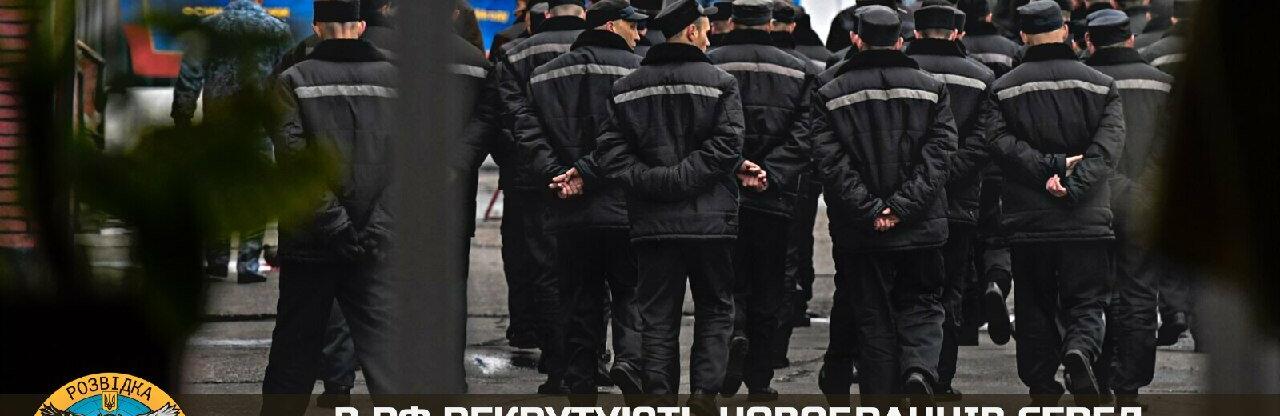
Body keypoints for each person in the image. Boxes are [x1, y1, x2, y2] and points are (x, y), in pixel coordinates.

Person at [594, 0, 751, 402]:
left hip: (653, 223)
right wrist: (681, 179)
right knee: (715, 308)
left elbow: (611, 152)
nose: (710, 38)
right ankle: (704, 393)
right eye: (706, 31)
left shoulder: (626, 87)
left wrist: (654, 181)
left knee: (657, 316)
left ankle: (660, 396)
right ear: (692, 32)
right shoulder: (721, 83)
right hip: (711, 224)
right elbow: (727, 146)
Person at [810, 5, 957, 398]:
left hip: (860, 229)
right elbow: (940, 155)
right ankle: (920, 370)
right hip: (921, 225)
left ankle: (881, 399)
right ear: (900, 40)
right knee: (923, 303)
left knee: (872, 317)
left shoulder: (829, 91)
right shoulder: (932, 88)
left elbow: (830, 161)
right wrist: (903, 207)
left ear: (855, 39)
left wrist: (871, 210)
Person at [260, 1, 398, 415]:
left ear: (317, 28)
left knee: (293, 354)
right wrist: (377, 228)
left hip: (310, 241)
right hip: (376, 245)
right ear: (361, 26)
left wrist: (336, 225)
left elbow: (295, 164)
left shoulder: (292, 80)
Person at [986, 0, 1124, 398]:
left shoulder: (1003, 88)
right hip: (1086, 217)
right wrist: (1072, 183)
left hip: (1029, 219)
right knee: (1088, 299)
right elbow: (1107, 149)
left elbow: (999, 143)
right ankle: (1080, 348)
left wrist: (1049, 168)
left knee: (1035, 304)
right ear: (1064, 31)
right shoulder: (1101, 85)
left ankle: (1041, 383)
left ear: (1023, 35)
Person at [511, 0, 648, 394]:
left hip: (569, 209)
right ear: (611, 26)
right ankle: (630, 361)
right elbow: (636, 139)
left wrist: (557, 174)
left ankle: (579, 382)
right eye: (632, 25)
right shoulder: (639, 73)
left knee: (578, 298)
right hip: (626, 205)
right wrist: (587, 175)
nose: (639, 33)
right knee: (631, 292)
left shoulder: (544, 75)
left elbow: (527, 131)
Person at [703, 0, 810, 397]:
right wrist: (771, 173)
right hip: (774, 197)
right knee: (770, 285)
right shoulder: (799, 70)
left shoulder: (710, 64)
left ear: (731, 22)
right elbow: (805, 134)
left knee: (725, 283)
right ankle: (760, 378)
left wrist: (735, 166)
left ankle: (733, 334)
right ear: (769, 24)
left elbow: (702, 128)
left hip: (721, 193)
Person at [904, 3, 998, 400]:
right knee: (949, 291)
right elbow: (985, 139)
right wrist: (948, 173)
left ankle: (908, 367)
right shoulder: (980, 76)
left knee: (905, 289)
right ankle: (939, 376)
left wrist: (919, 181)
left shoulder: (903, 72)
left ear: (916, 32)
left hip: (905, 200)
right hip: (959, 203)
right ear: (956, 33)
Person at [1081, 8, 1174, 401]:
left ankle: (1097, 376)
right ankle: (1129, 386)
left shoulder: (1083, 81)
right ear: (1131, 39)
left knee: (1091, 293)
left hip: (1090, 202)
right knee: (1139, 292)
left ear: (1088, 41)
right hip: (1145, 203)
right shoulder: (1163, 83)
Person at [171, 0, 291, 284]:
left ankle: (217, 261)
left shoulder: (208, 28)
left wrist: (183, 115)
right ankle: (249, 264)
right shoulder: (276, 30)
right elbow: (284, 82)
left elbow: (190, 76)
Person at [495, 0, 587, 356]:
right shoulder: (600, 51)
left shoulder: (515, 52)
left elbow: (507, 118)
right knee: (591, 267)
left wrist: (542, 165)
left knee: (543, 265)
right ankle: (590, 353)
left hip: (532, 177)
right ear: (583, 12)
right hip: (590, 177)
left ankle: (555, 355)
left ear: (546, 14)